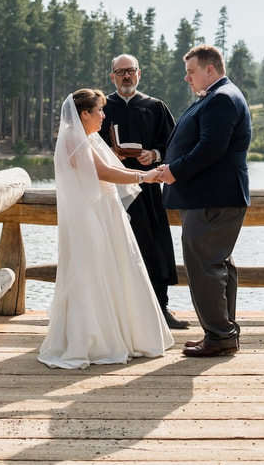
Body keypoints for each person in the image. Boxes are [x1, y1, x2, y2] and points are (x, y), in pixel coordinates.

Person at [38, 88, 175, 369]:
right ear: (84, 114)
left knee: (110, 270)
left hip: (104, 212)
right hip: (91, 216)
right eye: (99, 111)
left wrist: (145, 175)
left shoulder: (85, 137)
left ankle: (119, 333)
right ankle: (92, 339)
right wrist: (143, 176)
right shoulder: (74, 139)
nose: (103, 115)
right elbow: (103, 173)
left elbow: (109, 170)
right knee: (91, 272)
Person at [150, 44, 251, 357]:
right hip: (213, 196)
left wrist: (173, 172)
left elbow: (211, 148)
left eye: (191, 71)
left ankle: (220, 335)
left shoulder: (221, 98)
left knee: (204, 267)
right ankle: (223, 332)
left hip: (211, 198)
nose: (187, 78)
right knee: (218, 265)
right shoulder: (218, 96)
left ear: (210, 69)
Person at [98, 53, 189, 331]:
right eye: (120, 71)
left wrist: (155, 154)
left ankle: (160, 310)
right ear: (112, 76)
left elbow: (175, 146)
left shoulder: (155, 107)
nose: (126, 76)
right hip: (110, 192)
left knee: (154, 248)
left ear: (140, 74)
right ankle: (114, 315)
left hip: (147, 190)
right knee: (112, 250)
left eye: (131, 71)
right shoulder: (102, 107)